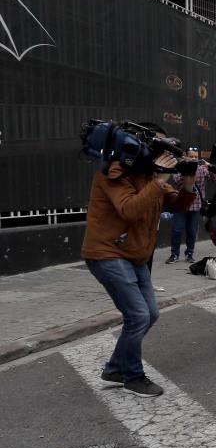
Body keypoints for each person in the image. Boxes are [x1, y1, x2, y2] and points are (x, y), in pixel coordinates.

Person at [82, 150, 197, 397]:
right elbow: (128, 209)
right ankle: (133, 377)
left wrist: (187, 184)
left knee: (150, 314)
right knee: (137, 316)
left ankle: (113, 369)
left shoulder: (150, 176)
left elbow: (177, 205)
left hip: (135, 255)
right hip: (108, 252)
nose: (169, 157)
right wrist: (158, 181)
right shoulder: (114, 173)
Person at [166, 147, 215, 264]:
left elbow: (213, 178)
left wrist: (211, 167)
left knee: (192, 232)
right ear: (186, 156)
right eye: (191, 156)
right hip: (181, 205)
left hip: (196, 206)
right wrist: (187, 170)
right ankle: (174, 254)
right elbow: (176, 179)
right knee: (177, 230)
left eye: (195, 157)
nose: (193, 159)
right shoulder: (180, 168)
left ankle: (189, 254)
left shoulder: (202, 169)